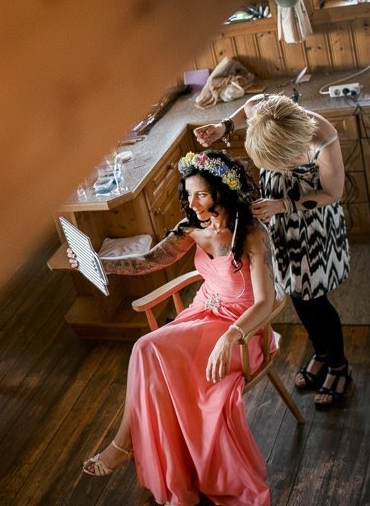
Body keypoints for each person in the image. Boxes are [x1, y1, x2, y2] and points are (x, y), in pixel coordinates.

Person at [70, 150, 277, 506]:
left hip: (241, 331)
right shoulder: (192, 227)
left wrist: (230, 336)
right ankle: (137, 451)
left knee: (148, 349)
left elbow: (265, 302)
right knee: (150, 353)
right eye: (189, 194)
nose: (193, 204)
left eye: (202, 195)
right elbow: (150, 260)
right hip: (202, 314)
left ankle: (123, 446)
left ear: (223, 192)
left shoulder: (252, 234)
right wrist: (98, 263)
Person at [193, 94, 352, 408]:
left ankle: (339, 366)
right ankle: (321, 353)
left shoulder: (323, 137)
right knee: (295, 293)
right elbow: (249, 104)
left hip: (312, 225)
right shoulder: (263, 111)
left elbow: (333, 193)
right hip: (277, 223)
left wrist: (283, 205)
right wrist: (224, 126)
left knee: (315, 299)